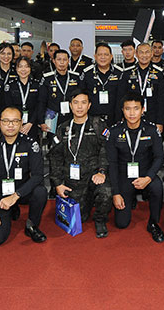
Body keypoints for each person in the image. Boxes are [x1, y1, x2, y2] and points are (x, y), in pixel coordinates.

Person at [0, 106, 48, 245]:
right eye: (6, 121)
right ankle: (9, 211)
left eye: (15, 121)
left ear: (21, 123)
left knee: (40, 191)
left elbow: (38, 175)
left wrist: (16, 195)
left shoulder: (30, 144)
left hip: (21, 191)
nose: (10, 125)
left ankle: (32, 225)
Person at [49, 89, 112, 238]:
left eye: (83, 103)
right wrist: (58, 183)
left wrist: (102, 172)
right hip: (73, 179)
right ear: (70, 105)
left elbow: (106, 150)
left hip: (94, 176)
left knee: (106, 192)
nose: (79, 106)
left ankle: (100, 220)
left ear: (89, 105)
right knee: (80, 218)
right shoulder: (63, 128)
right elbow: (55, 157)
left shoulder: (98, 125)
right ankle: (86, 204)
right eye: (76, 103)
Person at [106, 93, 164, 243]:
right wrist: (116, 193)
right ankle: (129, 197)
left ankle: (154, 223)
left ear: (143, 109)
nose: (132, 113)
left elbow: (159, 158)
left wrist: (148, 178)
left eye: (136, 108)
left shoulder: (151, 130)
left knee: (157, 186)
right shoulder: (114, 132)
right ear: (122, 110)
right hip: (124, 176)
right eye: (128, 109)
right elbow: (112, 163)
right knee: (121, 223)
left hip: (145, 174)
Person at [118, 42, 164, 132]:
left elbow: (162, 100)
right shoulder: (127, 73)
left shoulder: (159, 74)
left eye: (147, 52)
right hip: (131, 117)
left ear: (152, 54)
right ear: (136, 54)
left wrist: (160, 122)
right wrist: (121, 117)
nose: (144, 55)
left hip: (153, 117)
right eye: (141, 52)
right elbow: (121, 98)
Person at [38, 49, 82, 134]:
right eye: (59, 59)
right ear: (54, 61)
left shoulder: (76, 77)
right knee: (53, 140)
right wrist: (41, 121)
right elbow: (41, 101)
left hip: (72, 116)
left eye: (64, 60)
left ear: (68, 61)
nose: (62, 62)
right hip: (53, 117)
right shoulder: (47, 78)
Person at [79, 43, 124, 125]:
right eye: (100, 54)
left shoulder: (120, 73)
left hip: (114, 118)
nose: (103, 57)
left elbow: (122, 97)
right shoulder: (87, 73)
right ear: (95, 56)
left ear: (111, 56)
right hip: (92, 118)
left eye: (106, 54)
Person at [4, 56, 41, 140]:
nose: (23, 69)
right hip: (14, 124)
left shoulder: (36, 85)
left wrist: (31, 123)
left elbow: (39, 105)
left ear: (30, 68)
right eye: (20, 66)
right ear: (16, 69)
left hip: (32, 123)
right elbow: (8, 105)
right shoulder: (10, 85)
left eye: (26, 66)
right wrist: (18, 123)